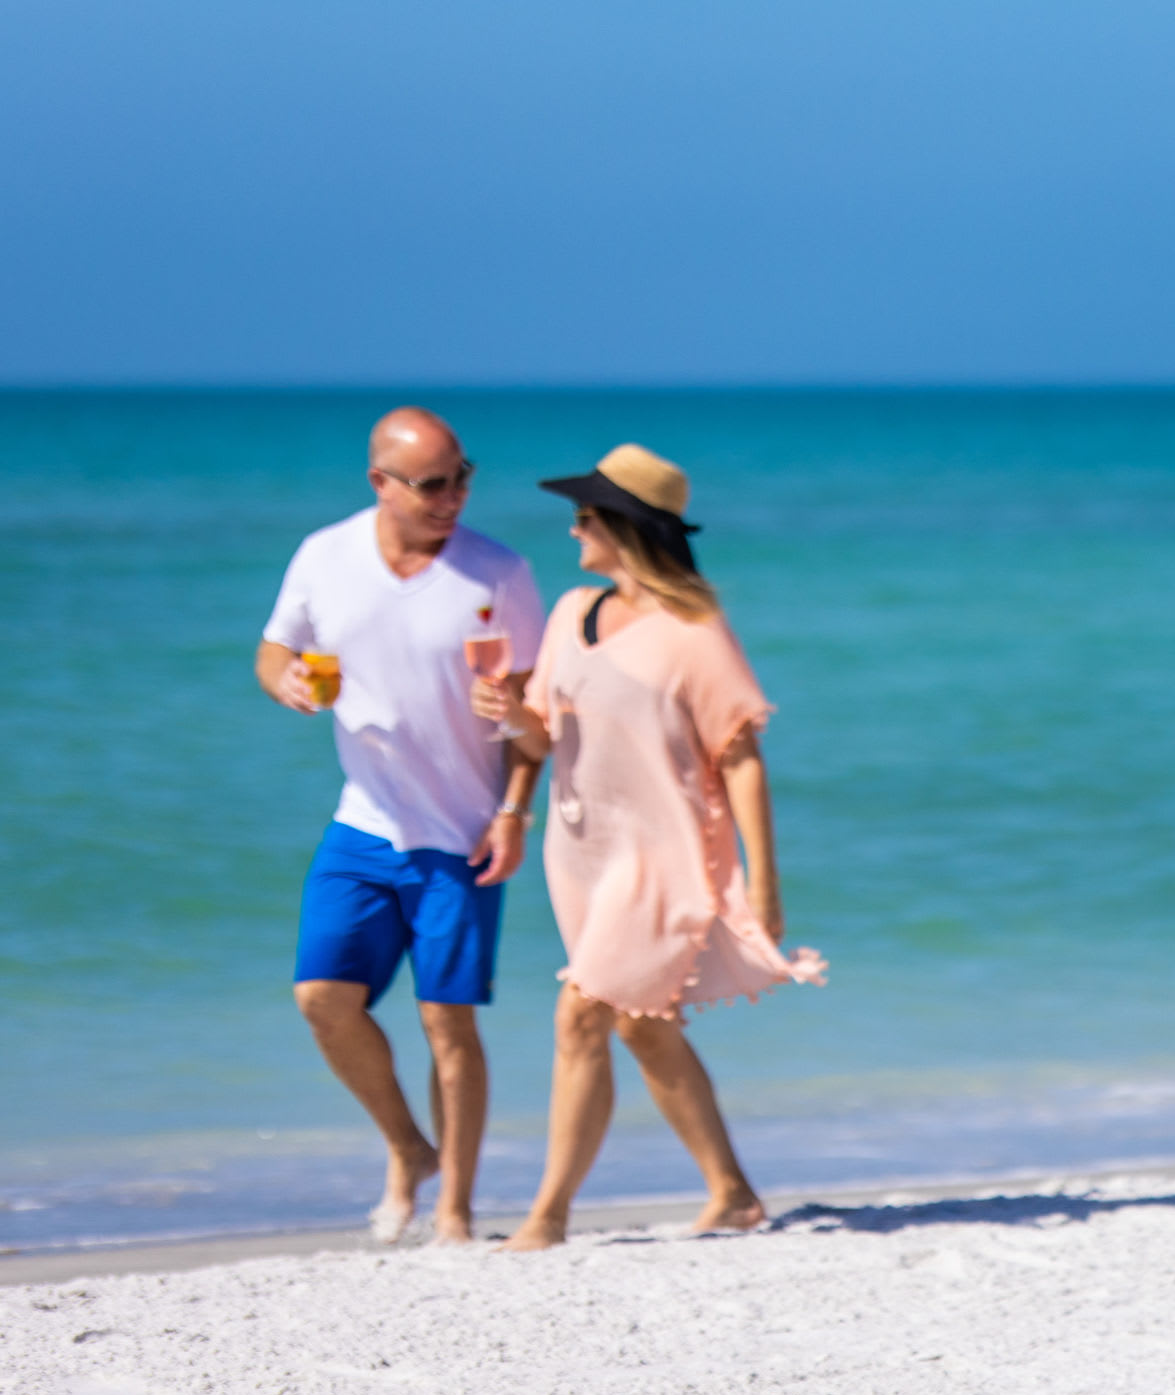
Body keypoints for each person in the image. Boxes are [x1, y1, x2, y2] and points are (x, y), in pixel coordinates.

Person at [476, 445, 823, 1250]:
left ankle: (546, 1216)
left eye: (586, 516)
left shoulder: (694, 632)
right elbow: (539, 733)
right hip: (582, 857)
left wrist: (764, 885)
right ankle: (732, 1192)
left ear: (625, 527)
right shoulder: (570, 613)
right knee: (641, 1027)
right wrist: (504, 711)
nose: (572, 530)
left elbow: (740, 755)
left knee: (581, 1016)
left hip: (663, 860)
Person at [257, 408, 545, 1244]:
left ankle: (454, 1206)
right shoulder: (325, 557)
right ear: (380, 483)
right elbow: (274, 652)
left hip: (461, 833)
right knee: (323, 1001)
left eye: (462, 477)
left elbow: (538, 728)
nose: (452, 497)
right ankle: (407, 1149)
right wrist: (286, 685)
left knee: (447, 1022)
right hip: (363, 821)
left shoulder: (498, 574)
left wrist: (515, 807)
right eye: (430, 484)